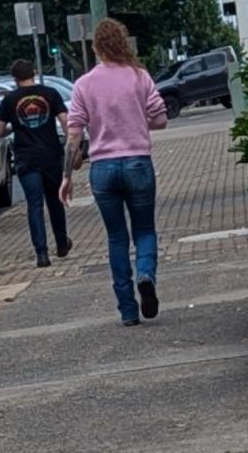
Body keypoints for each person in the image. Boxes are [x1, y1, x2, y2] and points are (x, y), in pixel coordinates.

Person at [60, 18, 168, 326]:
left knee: (117, 237)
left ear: (95, 48)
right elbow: (160, 119)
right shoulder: (139, 76)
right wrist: (135, 121)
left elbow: (74, 135)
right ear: (123, 43)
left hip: (103, 168)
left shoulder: (83, 84)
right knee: (145, 230)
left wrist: (67, 177)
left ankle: (128, 310)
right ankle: (145, 274)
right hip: (137, 162)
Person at [0, 59, 72, 268]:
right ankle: (62, 243)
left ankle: (41, 253)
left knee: (34, 205)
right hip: (50, 155)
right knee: (56, 201)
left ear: (15, 78)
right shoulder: (51, 93)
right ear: (34, 73)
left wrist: (14, 127)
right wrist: (73, 147)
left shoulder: (9, 100)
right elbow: (66, 122)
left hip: (26, 158)